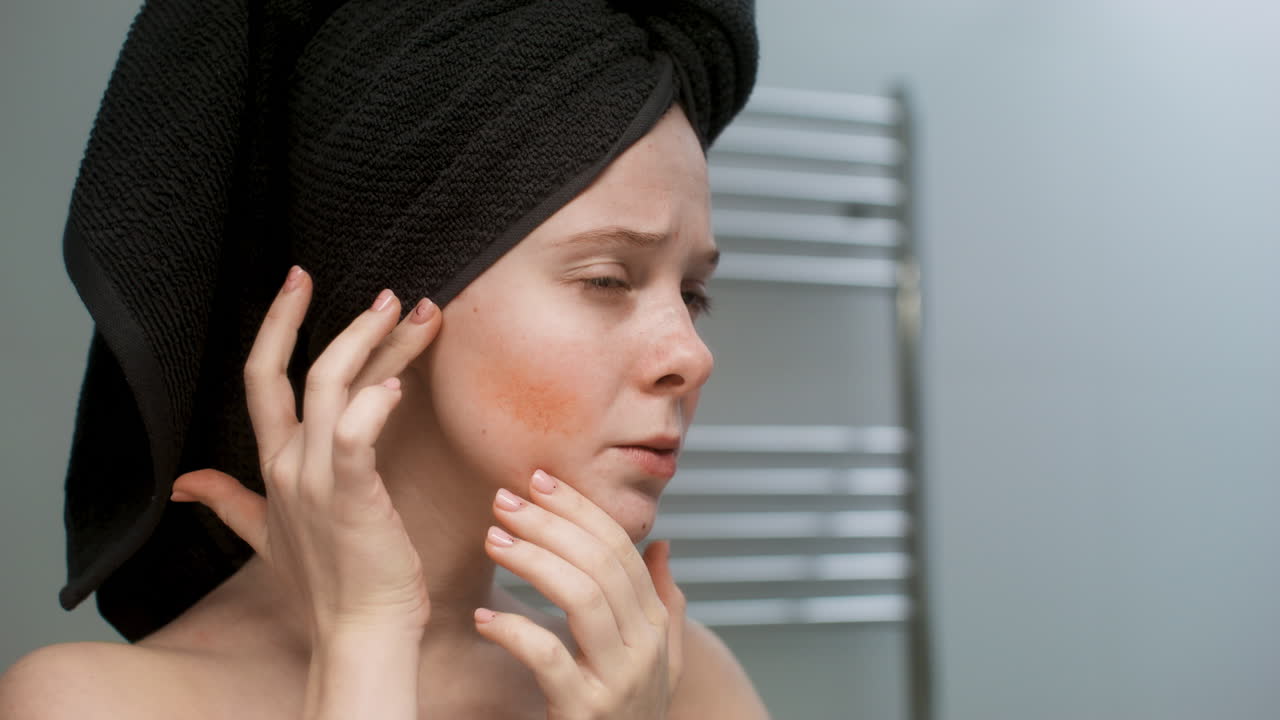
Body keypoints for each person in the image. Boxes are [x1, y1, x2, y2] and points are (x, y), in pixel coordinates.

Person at [1, 1, 768, 718]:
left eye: (693, 293)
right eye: (607, 279)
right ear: (392, 303)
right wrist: (365, 640)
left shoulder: (678, 685)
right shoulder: (93, 705)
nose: (691, 356)